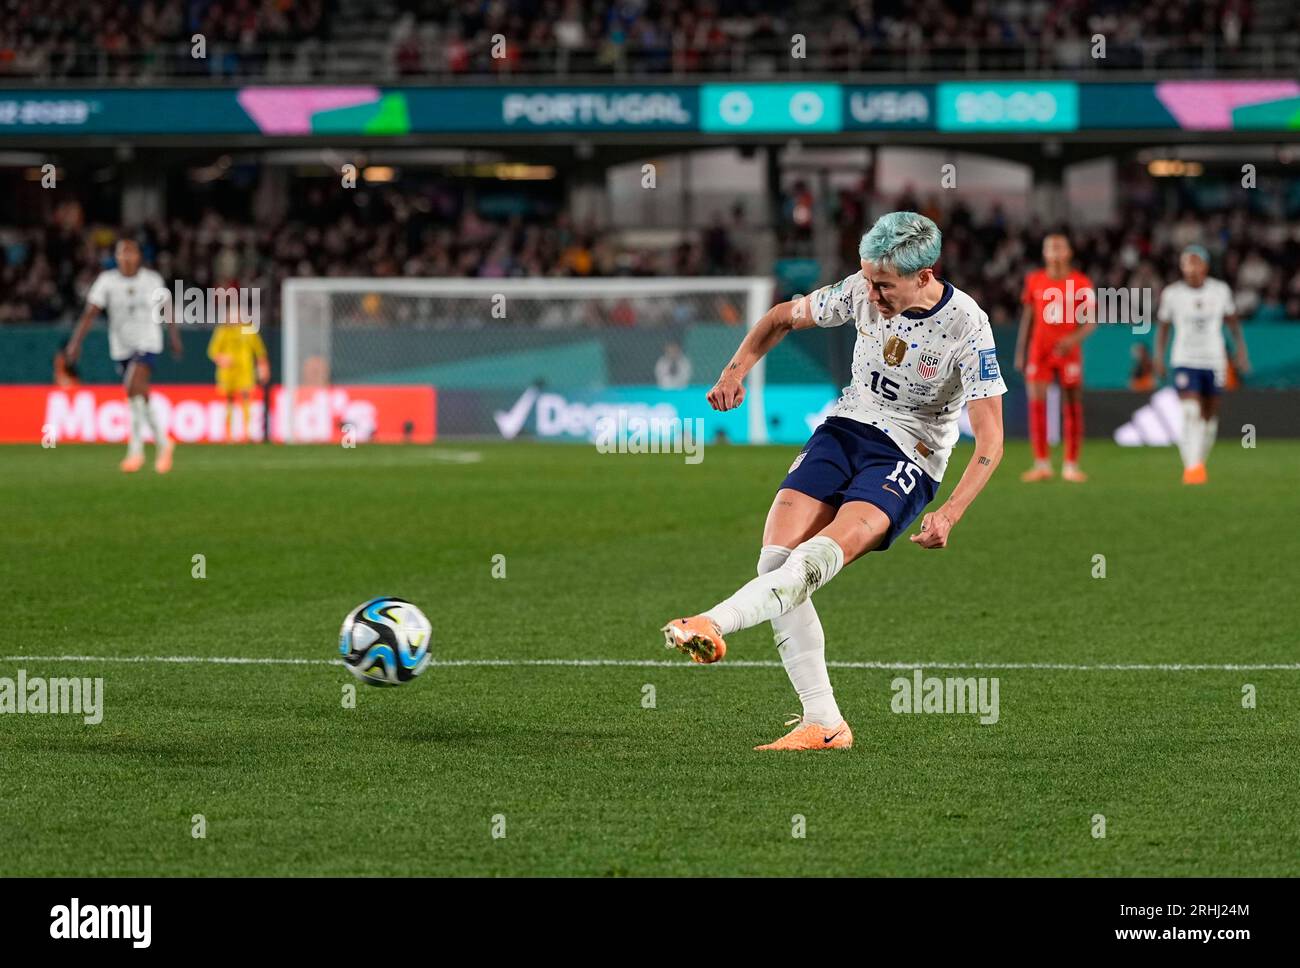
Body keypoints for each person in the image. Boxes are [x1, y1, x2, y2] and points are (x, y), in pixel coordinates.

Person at [660, 212, 1006, 750]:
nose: (870, 292)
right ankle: (823, 723)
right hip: (845, 429)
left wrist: (950, 512)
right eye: (867, 278)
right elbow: (779, 318)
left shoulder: (968, 325)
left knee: (816, 558)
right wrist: (734, 370)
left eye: (883, 284)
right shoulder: (859, 290)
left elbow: (990, 441)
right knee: (775, 560)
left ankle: (713, 622)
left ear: (924, 275)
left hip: (909, 455)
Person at [66, 239, 181, 473]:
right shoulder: (107, 281)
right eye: (122, 253)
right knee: (139, 395)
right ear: (116, 257)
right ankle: (164, 441)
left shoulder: (152, 280)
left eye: (131, 252)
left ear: (139, 256)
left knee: (131, 387)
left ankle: (135, 452)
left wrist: (174, 336)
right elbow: (91, 312)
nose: (126, 257)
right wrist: (76, 342)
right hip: (121, 346)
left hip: (148, 341)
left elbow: (166, 308)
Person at [1154, 245, 1250, 484]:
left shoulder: (1220, 291)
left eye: (1196, 262)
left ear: (1205, 266)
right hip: (1185, 359)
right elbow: (1164, 327)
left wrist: (1241, 350)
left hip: (1213, 359)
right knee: (1190, 411)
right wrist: (1159, 356)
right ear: (1181, 266)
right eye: (1188, 262)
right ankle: (1192, 466)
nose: (1192, 267)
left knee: (1208, 417)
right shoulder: (1172, 294)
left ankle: (1198, 461)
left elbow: (1232, 322)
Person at [1015, 234, 1096, 482]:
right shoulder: (1035, 280)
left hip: (1068, 351)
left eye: (1059, 246)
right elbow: (1028, 317)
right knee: (1036, 406)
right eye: (1050, 247)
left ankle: (1071, 465)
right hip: (1039, 351)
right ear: (1044, 253)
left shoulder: (1081, 282)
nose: (1055, 251)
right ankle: (1042, 463)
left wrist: (1072, 340)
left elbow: (1090, 321)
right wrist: (1021, 351)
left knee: (1072, 406)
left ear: (1069, 252)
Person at [208, 285, 270, 442]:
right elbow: (212, 351)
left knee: (246, 398)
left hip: (245, 370)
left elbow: (259, 350)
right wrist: (222, 359)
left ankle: (247, 433)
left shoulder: (248, 329)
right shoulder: (222, 330)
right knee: (228, 400)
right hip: (227, 372)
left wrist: (263, 367)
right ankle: (228, 434)